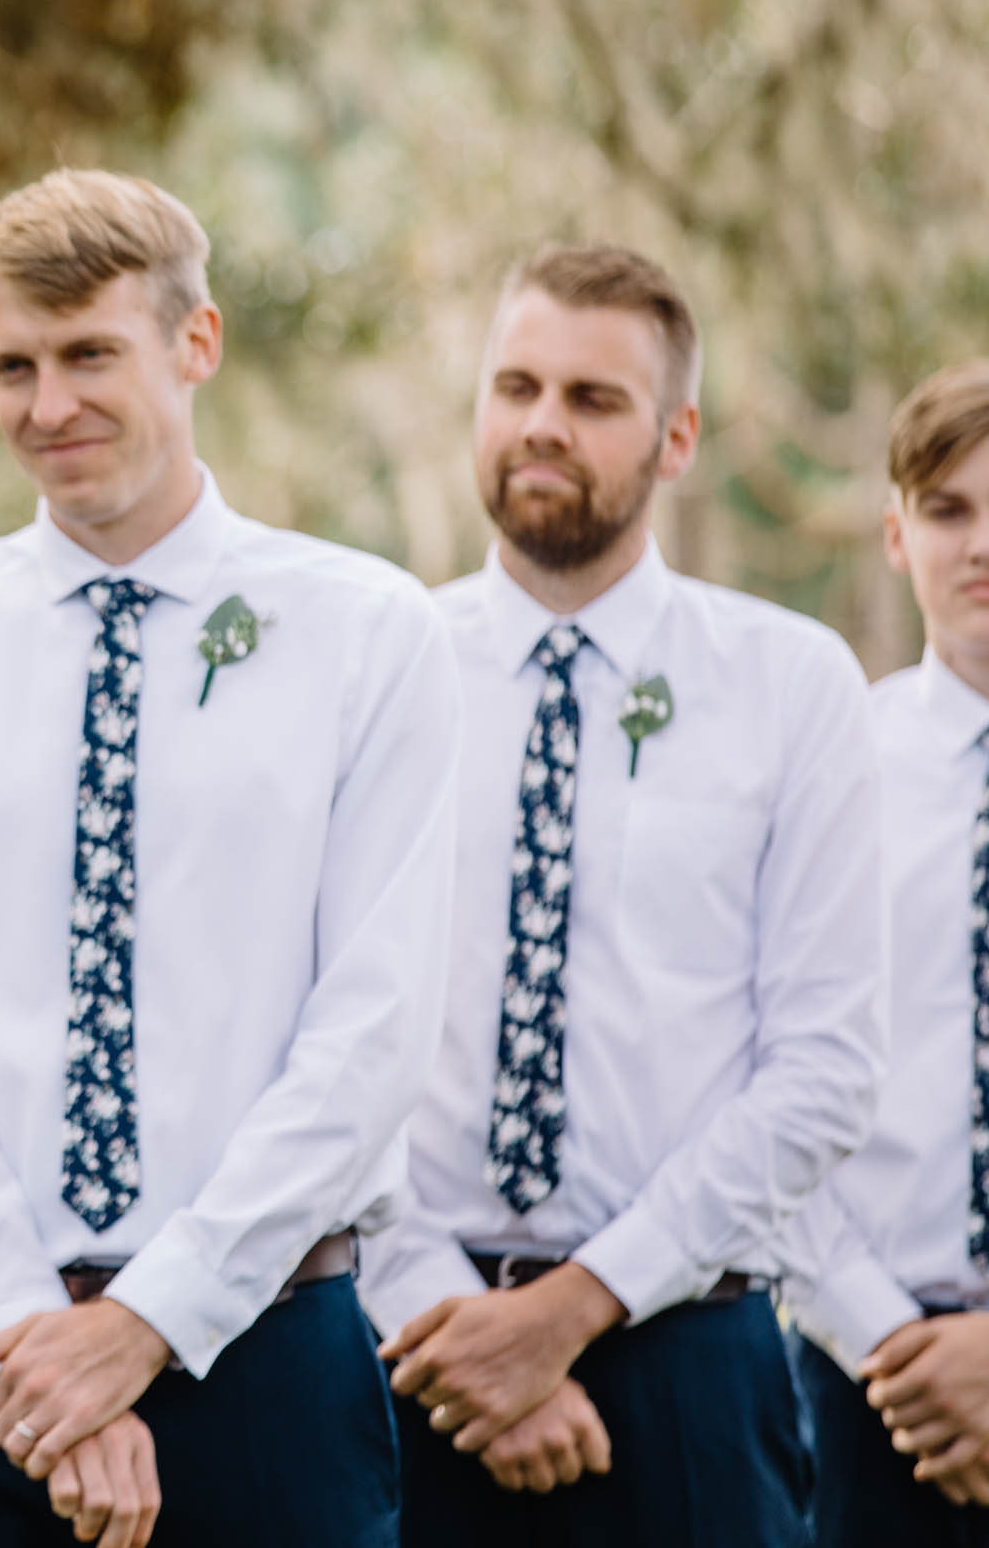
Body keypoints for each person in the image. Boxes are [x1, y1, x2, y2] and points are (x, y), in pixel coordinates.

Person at [0, 168, 461, 1548]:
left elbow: (373, 1032)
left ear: (196, 345)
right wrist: (25, 1334)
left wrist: (148, 1322)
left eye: (88, 356)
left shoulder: (368, 632)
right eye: (13, 364)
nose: (47, 406)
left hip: (271, 1353)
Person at [360, 245, 885, 1547]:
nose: (543, 423)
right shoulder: (374, 667)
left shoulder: (790, 683)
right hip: (401, 1348)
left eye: (593, 399)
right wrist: (448, 1317)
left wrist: (574, 1305)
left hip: (686, 1354)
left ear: (676, 435)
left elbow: (823, 1067)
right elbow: (317, 1030)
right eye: (516, 385)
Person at [781, 359, 989, 1544]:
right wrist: (890, 1346)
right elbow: (761, 1081)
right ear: (894, 535)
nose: (979, 547)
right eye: (948, 510)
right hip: (866, 1380)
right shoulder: (831, 773)